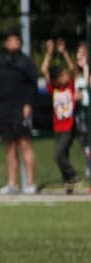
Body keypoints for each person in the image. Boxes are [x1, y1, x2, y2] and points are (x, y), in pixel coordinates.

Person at [0, 31, 39, 195]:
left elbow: (33, 86)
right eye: (10, 41)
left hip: (20, 108)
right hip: (4, 109)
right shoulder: (0, 63)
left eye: (16, 41)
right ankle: (12, 183)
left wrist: (28, 104)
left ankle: (30, 183)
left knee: (24, 144)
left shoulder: (26, 63)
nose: (13, 44)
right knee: (9, 147)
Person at [41, 38, 79, 193]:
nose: (65, 77)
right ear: (56, 80)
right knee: (63, 155)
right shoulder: (54, 89)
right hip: (58, 127)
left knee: (58, 155)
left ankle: (73, 175)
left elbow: (73, 70)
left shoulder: (69, 87)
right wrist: (49, 53)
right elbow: (44, 69)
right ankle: (68, 184)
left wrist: (64, 53)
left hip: (69, 126)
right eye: (61, 76)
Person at [76, 42, 91, 192]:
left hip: (88, 114)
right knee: (86, 147)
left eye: (82, 54)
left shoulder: (87, 73)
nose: (78, 57)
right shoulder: (77, 75)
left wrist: (86, 67)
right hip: (81, 116)